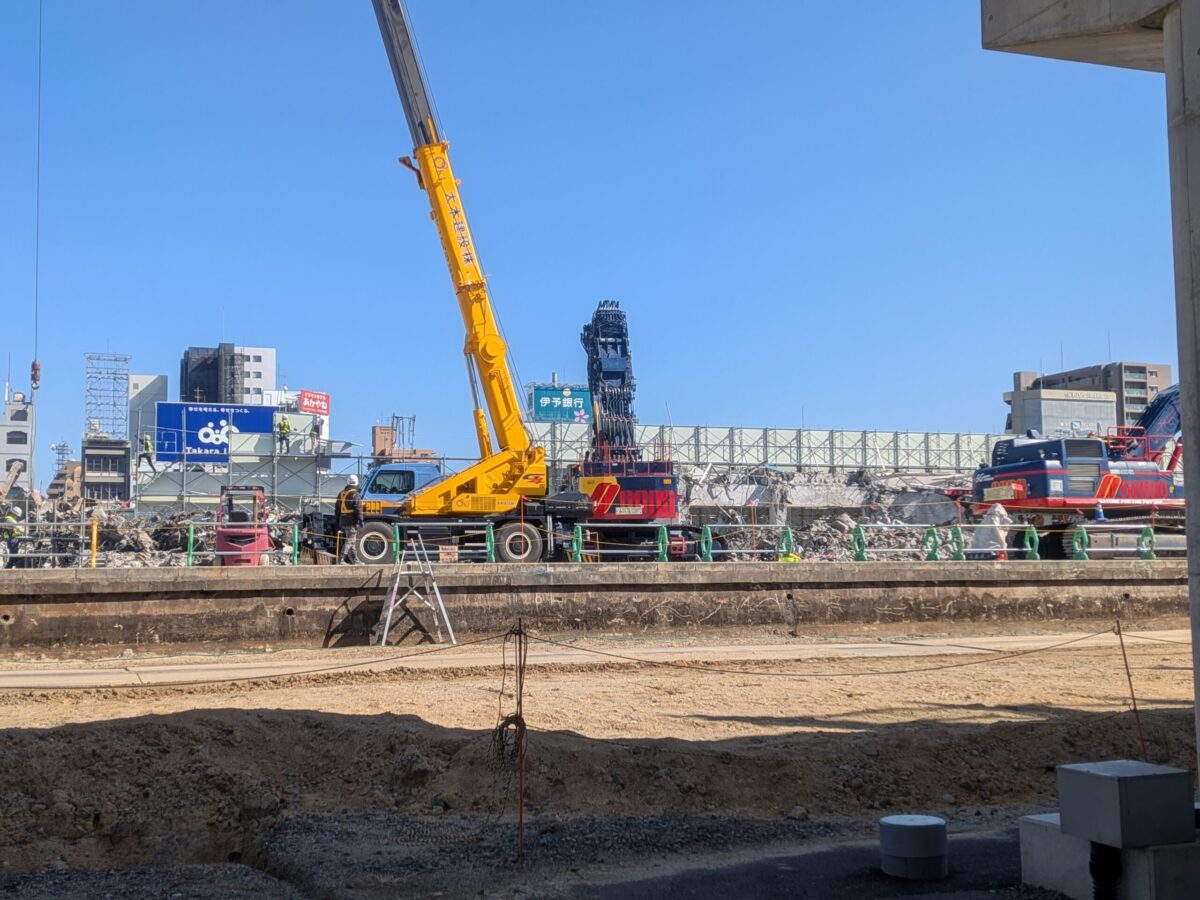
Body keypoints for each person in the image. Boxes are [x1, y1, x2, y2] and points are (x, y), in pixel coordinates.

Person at [334, 475, 363, 563]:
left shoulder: (341, 493)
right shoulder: (356, 494)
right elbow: (358, 509)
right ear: (356, 483)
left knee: (352, 541)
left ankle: (355, 560)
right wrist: (361, 520)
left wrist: (337, 521)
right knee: (350, 540)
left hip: (343, 521)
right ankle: (341, 558)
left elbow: (337, 509)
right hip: (351, 521)